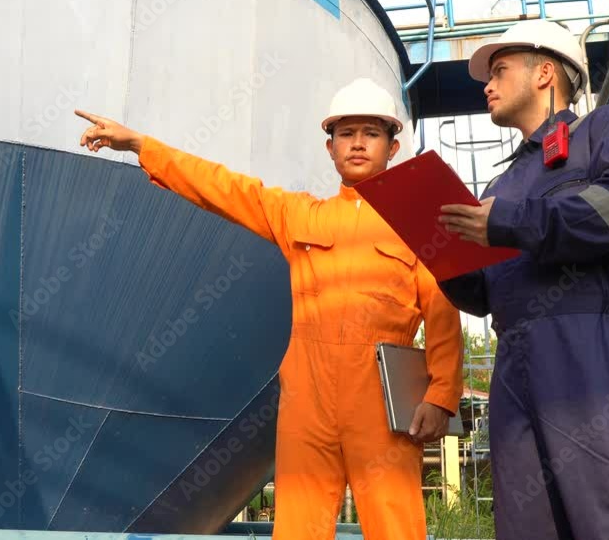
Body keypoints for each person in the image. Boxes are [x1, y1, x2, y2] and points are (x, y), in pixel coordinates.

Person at [74, 77, 464, 540]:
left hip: (381, 404)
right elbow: (224, 187)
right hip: (307, 403)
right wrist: (142, 144)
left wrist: (441, 396)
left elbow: (443, 314)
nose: (358, 144)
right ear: (330, 147)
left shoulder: (416, 222)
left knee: (396, 527)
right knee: (298, 529)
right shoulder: (299, 214)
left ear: (393, 147)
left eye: (372, 133)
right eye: (346, 133)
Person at [437, 20, 609, 540]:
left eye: (500, 70)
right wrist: (439, 255)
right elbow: (485, 296)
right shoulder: (500, 185)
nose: (487, 84)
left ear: (545, 72)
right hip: (515, 378)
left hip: (596, 363)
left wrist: (510, 222)